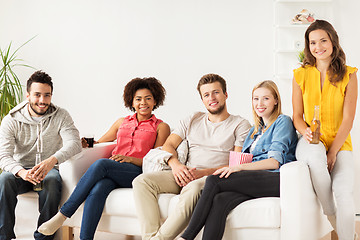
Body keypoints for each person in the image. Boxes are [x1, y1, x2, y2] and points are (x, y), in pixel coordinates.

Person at [38, 77, 170, 240]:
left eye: (148, 98)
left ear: (155, 100)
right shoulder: (121, 122)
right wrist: (86, 145)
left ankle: (63, 214)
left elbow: (157, 160)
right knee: (99, 187)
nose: (143, 102)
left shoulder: (161, 127)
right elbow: (101, 141)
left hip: (139, 172)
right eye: (138, 99)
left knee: (102, 164)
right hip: (115, 170)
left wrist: (131, 160)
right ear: (132, 101)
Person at [132, 73, 252, 240]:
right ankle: (150, 237)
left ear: (226, 94)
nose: (212, 98)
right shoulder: (192, 119)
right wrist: (176, 165)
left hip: (211, 178)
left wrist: (201, 174)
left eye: (216, 92)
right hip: (183, 173)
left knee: (194, 188)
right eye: (206, 94)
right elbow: (169, 145)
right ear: (202, 99)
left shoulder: (240, 124)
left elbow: (234, 165)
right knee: (141, 182)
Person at [179, 80, 298, 240]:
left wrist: (239, 168)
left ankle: (186, 237)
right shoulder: (254, 131)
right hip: (255, 180)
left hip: (275, 178)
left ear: (276, 100)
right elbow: (243, 157)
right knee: (220, 200)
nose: (259, 103)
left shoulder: (282, 122)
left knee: (214, 180)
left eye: (266, 98)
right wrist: (236, 166)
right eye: (255, 99)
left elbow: (274, 162)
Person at [292, 20, 358, 240]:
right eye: (312, 42)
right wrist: (305, 131)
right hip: (311, 140)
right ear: (307, 46)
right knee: (315, 156)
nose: (318, 46)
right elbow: (297, 116)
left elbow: (348, 119)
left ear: (332, 42)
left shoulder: (349, 75)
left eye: (323, 40)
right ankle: (331, 216)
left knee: (345, 196)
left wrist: (333, 152)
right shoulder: (300, 75)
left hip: (340, 143)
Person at [0, 70, 82, 240]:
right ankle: (3, 236)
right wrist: (21, 172)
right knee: (4, 179)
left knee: (52, 180)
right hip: (21, 171)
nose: (42, 101)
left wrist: (52, 161)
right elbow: (3, 155)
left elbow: (74, 143)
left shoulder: (61, 115)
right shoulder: (11, 119)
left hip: (49, 170)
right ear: (28, 95)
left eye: (47, 95)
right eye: (37, 95)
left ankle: (44, 236)